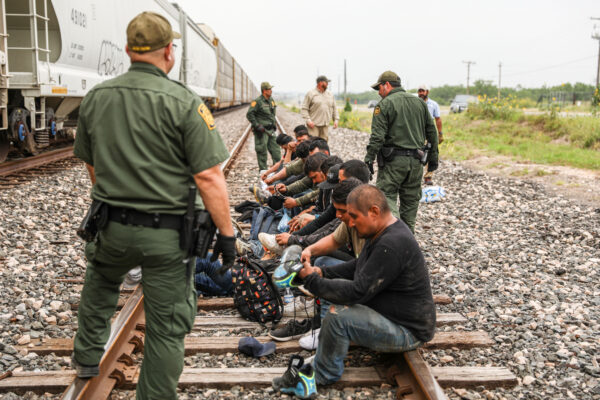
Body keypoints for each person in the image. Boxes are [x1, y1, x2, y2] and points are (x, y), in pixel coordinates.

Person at [71, 12, 236, 400]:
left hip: (111, 227)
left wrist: (112, 199)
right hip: (167, 239)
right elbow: (210, 177)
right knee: (166, 325)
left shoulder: (97, 97)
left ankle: (86, 358)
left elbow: (91, 164)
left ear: (129, 50)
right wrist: (226, 234)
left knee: (100, 284)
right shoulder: (183, 102)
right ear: (169, 53)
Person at [295, 184, 436, 387]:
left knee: (337, 317)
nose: (350, 223)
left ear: (374, 211)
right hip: (392, 315)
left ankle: (323, 373)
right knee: (331, 287)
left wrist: (312, 281)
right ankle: (326, 348)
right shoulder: (383, 231)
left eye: (354, 216)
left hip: (407, 331)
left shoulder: (391, 244)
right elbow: (358, 266)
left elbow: (357, 292)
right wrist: (323, 273)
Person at [364, 71, 438, 232]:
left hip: (393, 163)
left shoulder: (384, 105)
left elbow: (377, 137)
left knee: (386, 197)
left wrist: (368, 159)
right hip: (417, 162)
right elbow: (432, 132)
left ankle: (395, 235)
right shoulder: (420, 103)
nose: (379, 92)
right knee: (411, 203)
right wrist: (433, 160)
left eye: (379, 88)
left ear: (387, 85)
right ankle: (408, 239)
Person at [247, 82, 281, 170]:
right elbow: (249, 114)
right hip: (262, 131)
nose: (271, 91)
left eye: (271, 89)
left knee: (276, 151)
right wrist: (257, 125)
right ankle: (263, 172)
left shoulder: (271, 100)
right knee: (262, 152)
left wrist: (273, 124)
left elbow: (272, 113)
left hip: (271, 130)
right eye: (269, 89)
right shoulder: (257, 102)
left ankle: (277, 171)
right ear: (264, 91)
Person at [417, 84, 443, 185]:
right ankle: (416, 175)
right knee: (418, 151)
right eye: (419, 91)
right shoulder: (415, 103)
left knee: (432, 152)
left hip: (430, 131)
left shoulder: (433, 104)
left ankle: (428, 176)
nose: (421, 93)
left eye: (422, 91)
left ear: (427, 92)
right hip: (418, 130)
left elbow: (438, 119)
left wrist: (440, 133)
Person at [301, 76, 339, 141]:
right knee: (313, 143)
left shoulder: (330, 94)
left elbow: (334, 108)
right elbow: (304, 108)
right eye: (326, 82)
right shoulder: (311, 93)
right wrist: (308, 120)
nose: (327, 84)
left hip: (325, 125)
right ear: (320, 83)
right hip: (313, 125)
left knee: (323, 144)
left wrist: (336, 119)